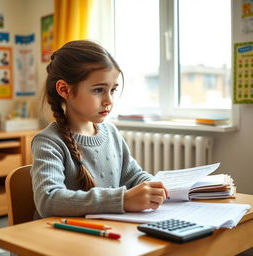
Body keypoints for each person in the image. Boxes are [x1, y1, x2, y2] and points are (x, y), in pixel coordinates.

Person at [30, 40, 168, 218]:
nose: (109, 101)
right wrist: (123, 199)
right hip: (62, 239)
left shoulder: (111, 133)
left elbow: (133, 176)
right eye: (98, 90)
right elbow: (48, 200)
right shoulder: (49, 141)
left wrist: (154, 187)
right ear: (64, 90)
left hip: (106, 234)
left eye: (112, 90)